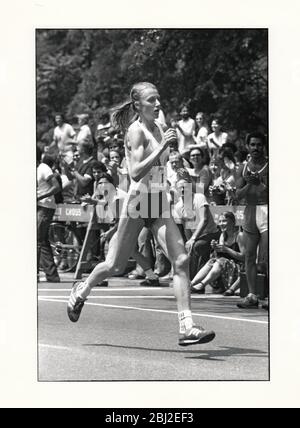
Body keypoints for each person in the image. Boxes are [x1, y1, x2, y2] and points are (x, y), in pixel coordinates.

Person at [67, 81, 215, 346]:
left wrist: (177, 175)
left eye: (159, 98)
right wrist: (161, 148)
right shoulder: (136, 132)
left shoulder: (159, 127)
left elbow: (165, 166)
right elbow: (135, 172)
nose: (158, 104)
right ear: (138, 105)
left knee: (180, 260)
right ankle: (83, 288)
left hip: (158, 200)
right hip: (139, 201)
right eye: (152, 100)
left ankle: (187, 327)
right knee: (114, 265)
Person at [235, 132, 268, 309]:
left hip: (267, 210)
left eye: (259, 145)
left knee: (266, 257)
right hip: (250, 211)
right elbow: (237, 195)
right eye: (253, 145)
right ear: (247, 147)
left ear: (264, 146)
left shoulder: (271, 164)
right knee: (249, 256)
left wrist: (260, 184)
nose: (256, 148)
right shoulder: (242, 168)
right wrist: (250, 184)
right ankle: (252, 295)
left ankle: (272, 296)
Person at [173, 173, 220, 280]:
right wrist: (188, 241)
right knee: (188, 248)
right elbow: (186, 226)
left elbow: (204, 220)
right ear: (177, 190)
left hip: (211, 233)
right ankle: (193, 279)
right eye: (180, 188)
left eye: (185, 187)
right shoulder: (178, 206)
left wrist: (193, 239)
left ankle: (192, 280)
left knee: (197, 246)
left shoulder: (199, 197)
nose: (183, 190)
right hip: (197, 236)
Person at [190, 212, 245, 295]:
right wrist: (215, 247)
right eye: (220, 221)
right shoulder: (223, 235)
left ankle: (202, 284)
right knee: (212, 260)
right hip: (224, 268)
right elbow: (221, 255)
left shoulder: (239, 236)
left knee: (220, 262)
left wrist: (226, 249)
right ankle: (192, 283)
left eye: (224, 221)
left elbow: (244, 257)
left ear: (233, 222)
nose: (221, 224)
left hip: (237, 270)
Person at [37, 147, 61, 282]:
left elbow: (56, 186)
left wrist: (40, 196)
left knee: (38, 240)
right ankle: (52, 274)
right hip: (39, 206)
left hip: (45, 206)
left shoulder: (43, 168)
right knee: (41, 240)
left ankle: (46, 274)